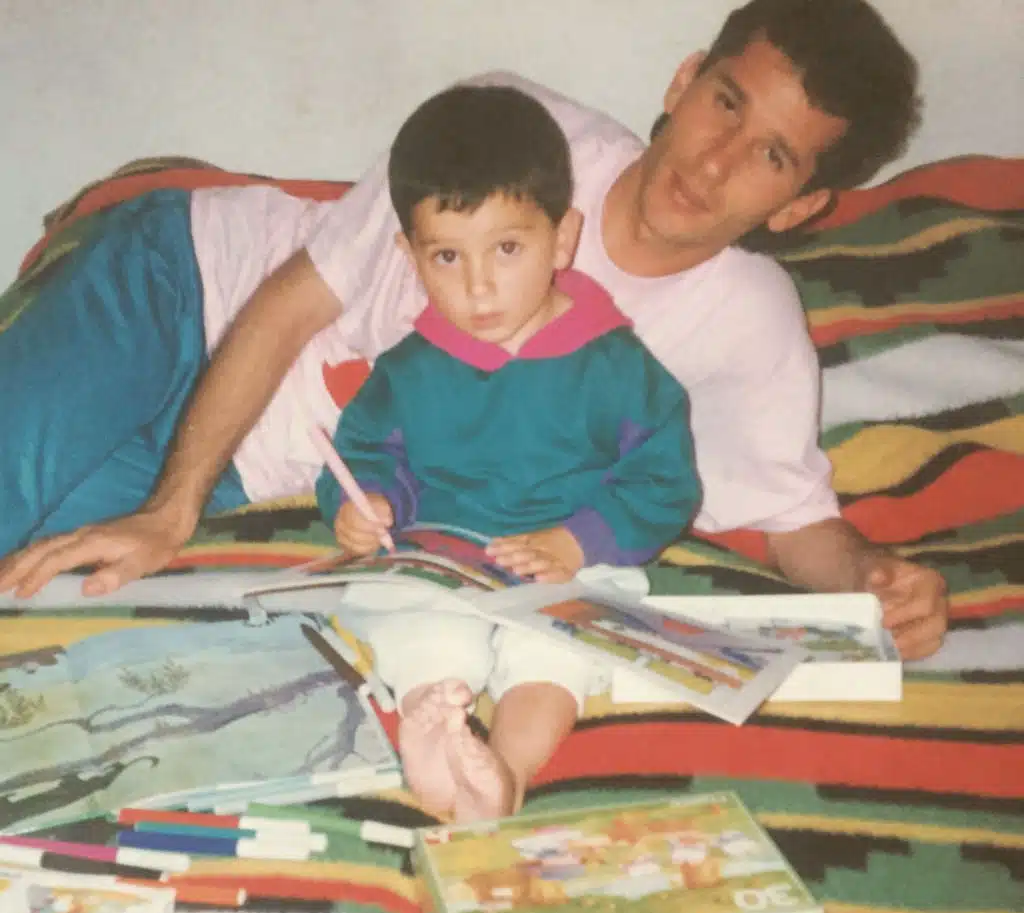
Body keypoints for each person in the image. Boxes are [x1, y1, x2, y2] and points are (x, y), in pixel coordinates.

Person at [0, 0, 947, 661]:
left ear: (798, 206)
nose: (716, 160)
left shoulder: (750, 322)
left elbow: (793, 519)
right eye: (726, 103)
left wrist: (875, 577)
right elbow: (293, 301)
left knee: (28, 572)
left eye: (771, 155)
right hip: (184, 283)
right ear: (685, 79)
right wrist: (171, 514)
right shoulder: (517, 128)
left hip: (257, 457)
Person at [324, 83, 698, 821]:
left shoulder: (617, 366)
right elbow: (363, 451)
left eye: (507, 248)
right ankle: (436, 738)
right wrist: (365, 503)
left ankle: (506, 772)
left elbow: (665, 479)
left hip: (569, 562)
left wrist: (577, 540)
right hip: (438, 560)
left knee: (560, 651)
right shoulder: (407, 369)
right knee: (417, 625)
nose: (479, 286)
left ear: (562, 239)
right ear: (410, 257)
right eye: (446, 256)